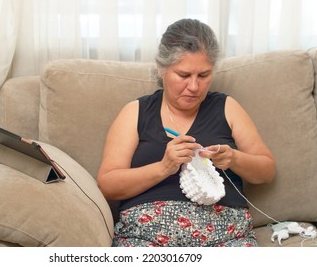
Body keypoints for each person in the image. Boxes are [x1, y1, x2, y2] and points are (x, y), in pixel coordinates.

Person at [97, 18, 276, 247]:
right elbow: (108, 185)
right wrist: (164, 167)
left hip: (226, 238)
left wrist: (234, 158)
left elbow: (267, 171)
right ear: (162, 69)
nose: (194, 86)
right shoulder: (136, 112)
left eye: (203, 76)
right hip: (146, 237)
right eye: (183, 75)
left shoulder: (227, 107)